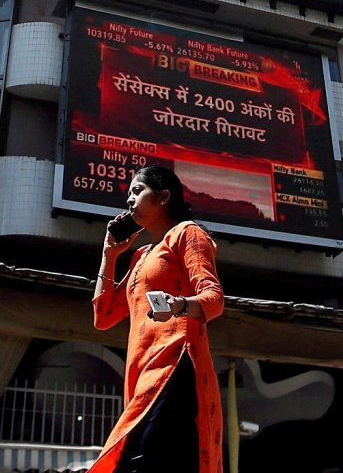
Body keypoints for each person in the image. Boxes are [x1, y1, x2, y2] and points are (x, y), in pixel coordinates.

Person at [91, 166, 225, 473]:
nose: (129, 200)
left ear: (164, 197)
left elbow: (214, 299)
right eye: (128, 195)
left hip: (175, 362)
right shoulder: (141, 256)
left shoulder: (187, 234)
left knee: (144, 461)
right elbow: (104, 316)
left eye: (137, 191)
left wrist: (177, 306)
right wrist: (109, 256)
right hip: (142, 372)